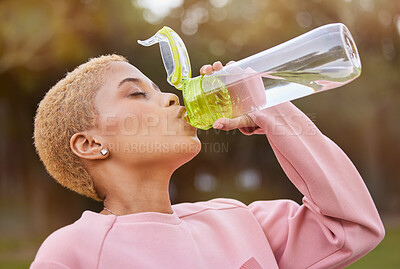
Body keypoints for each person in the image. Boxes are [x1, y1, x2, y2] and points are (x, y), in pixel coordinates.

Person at [31, 54, 385, 269]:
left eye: (158, 89)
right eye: (137, 93)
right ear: (90, 144)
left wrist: (268, 109)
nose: (171, 98)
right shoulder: (72, 253)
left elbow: (351, 228)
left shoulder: (238, 220)